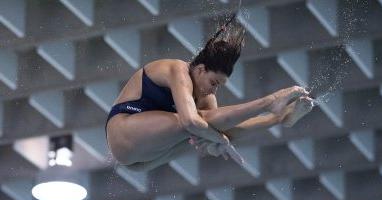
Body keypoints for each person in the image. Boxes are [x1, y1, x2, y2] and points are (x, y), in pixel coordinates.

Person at [105, 15, 314, 171]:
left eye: (219, 86)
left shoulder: (207, 97)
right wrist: (217, 138)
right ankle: (270, 103)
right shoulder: (176, 70)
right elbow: (189, 122)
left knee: (212, 125)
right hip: (123, 134)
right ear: (200, 69)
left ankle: (279, 117)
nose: (214, 89)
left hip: (144, 162)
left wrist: (216, 143)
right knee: (196, 121)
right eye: (214, 82)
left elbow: (217, 136)